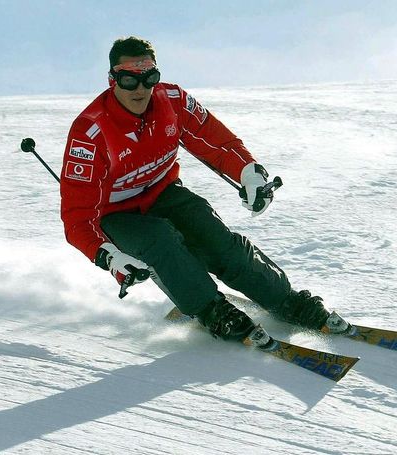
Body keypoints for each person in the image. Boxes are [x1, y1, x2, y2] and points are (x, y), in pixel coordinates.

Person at [60, 36, 344, 342]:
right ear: (113, 79)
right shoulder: (91, 131)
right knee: (161, 242)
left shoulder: (172, 100)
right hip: (116, 214)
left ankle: (286, 300)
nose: (141, 89)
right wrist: (109, 257)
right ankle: (212, 310)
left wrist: (249, 173)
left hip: (164, 192)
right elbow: (77, 218)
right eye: (129, 80)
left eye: (149, 78)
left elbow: (216, 141)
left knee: (217, 239)